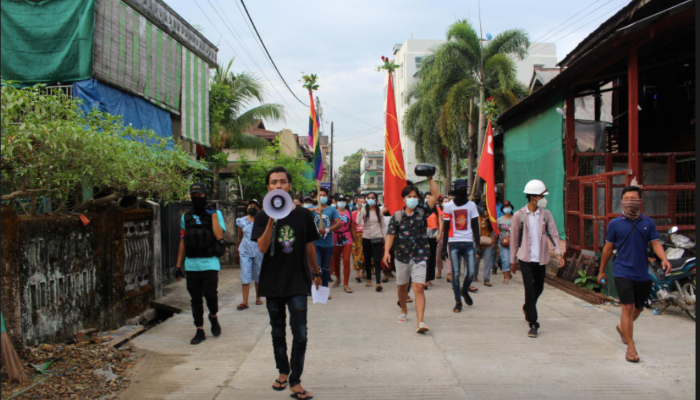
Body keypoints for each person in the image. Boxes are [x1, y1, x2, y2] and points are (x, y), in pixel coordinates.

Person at [251, 166, 322, 400]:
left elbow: (310, 245)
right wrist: (272, 219)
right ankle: (283, 371)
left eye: (283, 182)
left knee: (300, 333)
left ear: (290, 186)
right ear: (268, 187)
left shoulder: (303, 215)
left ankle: (296, 380)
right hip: (272, 282)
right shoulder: (262, 216)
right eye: (274, 182)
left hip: (298, 281)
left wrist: (317, 272)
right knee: (277, 331)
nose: (279, 186)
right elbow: (261, 247)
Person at [597, 186, 671, 363]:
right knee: (627, 307)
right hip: (622, 270)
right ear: (622, 201)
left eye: (634, 198)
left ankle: (622, 327)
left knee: (638, 308)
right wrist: (601, 270)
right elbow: (608, 248)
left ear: (640, 201)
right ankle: (631, 347)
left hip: (642, 273)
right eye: (627, 198)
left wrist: (664, 258)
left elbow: (655, 243)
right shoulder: (615, 224)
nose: (631, 201)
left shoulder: (648, 223)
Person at [509, 179, 564, 338]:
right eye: (541, 196)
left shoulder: (546, 215)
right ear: (533, 198)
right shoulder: (519, 215)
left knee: (539, 288)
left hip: (541, 259)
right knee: (530, 290)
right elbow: (514, 239)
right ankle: (533, 323)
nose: (544, 199)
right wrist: (512, 261)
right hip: (525, 259)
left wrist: (558, 253)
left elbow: (553, 234)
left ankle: (527, 307)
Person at [384, 176, 439, 333]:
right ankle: (404, 311)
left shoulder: (422, 212)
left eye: (415, 197)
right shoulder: (397, 216)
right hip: (401, 256)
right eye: (409, 197)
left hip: (419, 256)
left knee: (419, 287)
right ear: (404, 199)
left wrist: (430, 179)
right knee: (402, 287)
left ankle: (420, 322)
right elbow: (390, 235)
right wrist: (387, 252)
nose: (412, 199)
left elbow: (435, 196)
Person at [175, 183, 225, 345]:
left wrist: (212, 216)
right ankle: (200, 329)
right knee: (195, 299)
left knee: (211, 295)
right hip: (191, 265)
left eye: (200, 195)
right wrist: (178, 265)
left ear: (206, 195)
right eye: (194, 196)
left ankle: (213, 316)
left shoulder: (215, 214)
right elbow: (183, 241)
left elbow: (218, 236)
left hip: (210, 263)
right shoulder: (186, 217)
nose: (197, 198)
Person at [441, 179, 481, 314]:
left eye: (465, 188)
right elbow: (446, 228)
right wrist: (443, 247)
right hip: (453, 243)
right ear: (455, 189)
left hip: (469, 242)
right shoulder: (448, 207)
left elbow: (475, 226)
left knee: (470, 273)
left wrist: (478, 245)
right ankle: (458, 301)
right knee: (456, 273)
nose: (463, 190)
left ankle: (464, 290)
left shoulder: (472, 206)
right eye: (460, 188)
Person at [235, 199, 264, 310]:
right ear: (247, 208)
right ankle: (245, 301)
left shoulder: (262, 221)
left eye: (255, 206)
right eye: (250, 205)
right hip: (245, 251)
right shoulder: (241, 221)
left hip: (258, 250)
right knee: (245, 274)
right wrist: (236, 252)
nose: (252, 207)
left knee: (258, 274)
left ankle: (258, 297)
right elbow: (239, 237)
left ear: (259, 209)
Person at [312, 187, 341, 290]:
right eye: (320, 195)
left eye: (324, 195)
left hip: (328, 244)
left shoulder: (331, 210)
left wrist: (327, 230)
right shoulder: (312, 209)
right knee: (317, 267)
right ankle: (316, 287)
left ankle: (324, 289)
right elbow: (299, 210)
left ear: (327, 197)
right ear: (316, 197)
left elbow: (339, 223)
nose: (322, 197)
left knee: (325, 268)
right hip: (315, 243)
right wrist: (313, 209)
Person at [359, 192, 386, 291]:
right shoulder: (363, 210)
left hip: (377, 237)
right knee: (367, 259)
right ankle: (369, 279)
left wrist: (386, 239)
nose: (370, 199)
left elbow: (382, 226)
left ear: (376, 199)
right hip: (366, 237)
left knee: (377, 260)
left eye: (372, 198)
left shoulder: (380, 211)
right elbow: (358, 222)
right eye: (368, 198)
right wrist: (359, 210)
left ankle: (378, 282)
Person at [331, 196, 354, 293]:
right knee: (336, 261)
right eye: (339, 201)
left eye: (343, 201)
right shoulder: (333, 212)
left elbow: (352, 228)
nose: (341, 203)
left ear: (346, 203)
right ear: (336, 202)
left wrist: (355, 242)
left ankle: (346, 284)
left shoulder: (350, 213)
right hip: (335, 238)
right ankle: (338, 278)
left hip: (347, 238)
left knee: (346, 261)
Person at [424, 191, 443, 288]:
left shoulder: (437, 209)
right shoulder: (422, 209)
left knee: (431, 257)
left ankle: (429, 278)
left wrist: (440, 234)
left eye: (430, 197)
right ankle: (424, 279)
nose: (428, 199)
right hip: (423, 236)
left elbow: (441, 222)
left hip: (434, 235)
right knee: (424, 257)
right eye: (426, 197)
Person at [476, 202, 495, 287]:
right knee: (476, 261)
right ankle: (474, 275)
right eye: (482, 208)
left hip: (488, 242)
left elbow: (493, 229)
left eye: (485, 208)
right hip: (478, 243)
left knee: (487, 261)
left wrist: (488, 219)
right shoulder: (476, 218)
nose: (484, 210)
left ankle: (486, 279)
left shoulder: (491, 218)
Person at [497, 201, 514, 284]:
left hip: (514, 243)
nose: (507, 209)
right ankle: (506, 277)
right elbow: (497, 232)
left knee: (513, 260)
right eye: (505, 207)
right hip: (503, 243)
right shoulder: (499, 220)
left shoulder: (515, 218)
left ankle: (509, 272)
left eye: (508, 207)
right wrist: (494, 242)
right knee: (505, 259)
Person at [436, 196, 451, 280]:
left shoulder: (451, 212)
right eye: (445, 201)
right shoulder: (439, 213)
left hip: (449, 236)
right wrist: (439, 234)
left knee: (448, 255)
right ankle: (439, 270)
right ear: (441, 203)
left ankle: (449, 273)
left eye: (448, 201)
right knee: (438, 255)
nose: (447, 203)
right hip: (440, 236)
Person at [351, 197, 365, 282]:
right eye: (359, 202)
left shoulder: (368, 213)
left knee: (365, 255)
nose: (360, 204)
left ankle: (364, 271)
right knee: (356, 254)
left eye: (363, 202)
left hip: (366, 236)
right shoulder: (353, 213)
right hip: (356, 236)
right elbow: (351, 227)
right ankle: (358, 274)